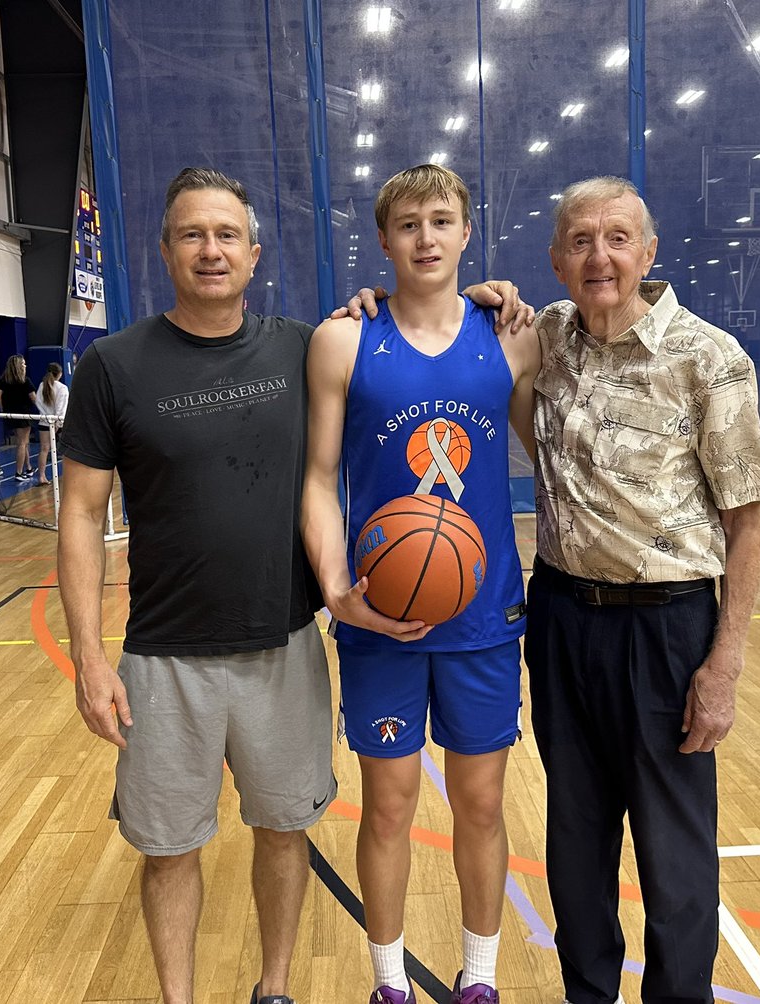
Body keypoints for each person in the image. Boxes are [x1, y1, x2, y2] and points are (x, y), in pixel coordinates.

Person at [57, 167, 338, 1004]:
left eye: (226, 235)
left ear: (254, 255)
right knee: (168, 848)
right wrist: (88, 658)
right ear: (165, 250)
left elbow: (411, 343)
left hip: (282, 643)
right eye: (192, 234)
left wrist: (485, 300)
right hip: (161, 658)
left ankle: (275, 987)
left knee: (283, 831)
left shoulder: (303, 348)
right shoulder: (113, 365)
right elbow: (81, 514)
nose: (210, 250)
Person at [525, 177, 760, 1004]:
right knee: (575, 839)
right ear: (557, 260)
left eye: (617, 238)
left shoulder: (709, 357)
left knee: (674, 855)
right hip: (562, 619)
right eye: (581, 240)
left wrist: (724, 665)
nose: (600, 256)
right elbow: (448, 320)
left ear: (649, 251)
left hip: (667, 628)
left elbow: (746, 523)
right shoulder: (546, 335)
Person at [301, 164, 541, 1004]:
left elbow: (552, 453)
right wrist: (336, 586)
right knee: (389, 806)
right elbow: (318, 476)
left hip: (483, 614)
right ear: (384, 239)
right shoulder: (342, 340)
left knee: (481, 805)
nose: (426, 238)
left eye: (442, 221)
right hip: (380, 613)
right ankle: (389, 983)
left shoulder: (511, 337)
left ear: (468, 233)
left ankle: (481, 978)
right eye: (408, 224)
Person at [0, 354, 38, 480]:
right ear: (19, 366)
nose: (25, 366)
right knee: (22, 444)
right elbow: (34, 399)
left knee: (23, 442)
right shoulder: (25, 381)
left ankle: (28, 468)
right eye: (23, 364)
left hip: (10, 414)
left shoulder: (3, 380)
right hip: (23, 414)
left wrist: (3, 409)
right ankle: (18, 472)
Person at [33, 361, 69, 485]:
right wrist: (57, 425)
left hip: (44, 422)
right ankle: (69, 476)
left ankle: (41, 476)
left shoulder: (42, 385)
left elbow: (38, 402)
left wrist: (46, 417)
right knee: (66, 451)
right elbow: (61, 409)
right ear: (60, 374)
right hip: (58, 423)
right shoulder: (62, 388)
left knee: (44, 449)